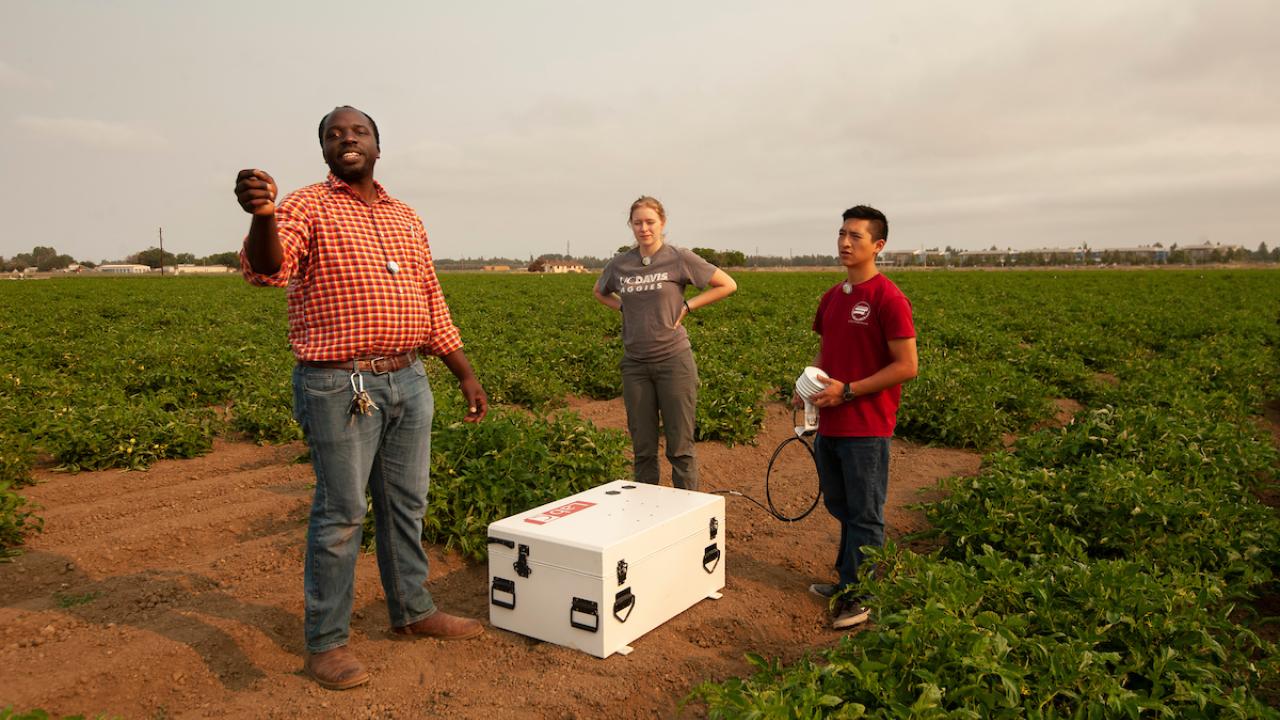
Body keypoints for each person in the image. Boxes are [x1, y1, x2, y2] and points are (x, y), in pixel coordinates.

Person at [234, 106, 489, 690]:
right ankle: (326, 643)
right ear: (323, 149)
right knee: (343, 513)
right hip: (338, 382)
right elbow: (268, 270)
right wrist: (263, 216)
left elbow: (431, 297)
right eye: (334, 134)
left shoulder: (404, 215)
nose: (347, 140)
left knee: (407, 503)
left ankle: (414, 611)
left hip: (410, 378)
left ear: (378, 145)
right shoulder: (302, 206)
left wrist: (463, 373)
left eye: (359, 133)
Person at [797, 205, 917, 630]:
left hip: (867, 426)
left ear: (878, 246)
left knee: (865, 512)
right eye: (842, 234)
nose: (845, 243)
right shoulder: (833, 296)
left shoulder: (888, 298)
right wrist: (807, 387)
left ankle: (863, 594)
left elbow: (907, 365)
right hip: (831, 424)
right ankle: (848, 579)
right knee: (842, 504)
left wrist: (847, 390)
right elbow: (825, 354)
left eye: (856, 237)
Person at [592, 196, 737, 490]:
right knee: (643, 450)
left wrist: (688, 306)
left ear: (662, 223)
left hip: (674, 362)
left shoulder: (678, 257)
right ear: (630, 226)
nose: (644, 228)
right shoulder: (621, 264)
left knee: (680, 449)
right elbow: (599, 291)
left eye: (650, 222)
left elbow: (728, 284)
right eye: (637, 223)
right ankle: (648, 517)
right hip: (635, 365)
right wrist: (623, 307)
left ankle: (686, 519)